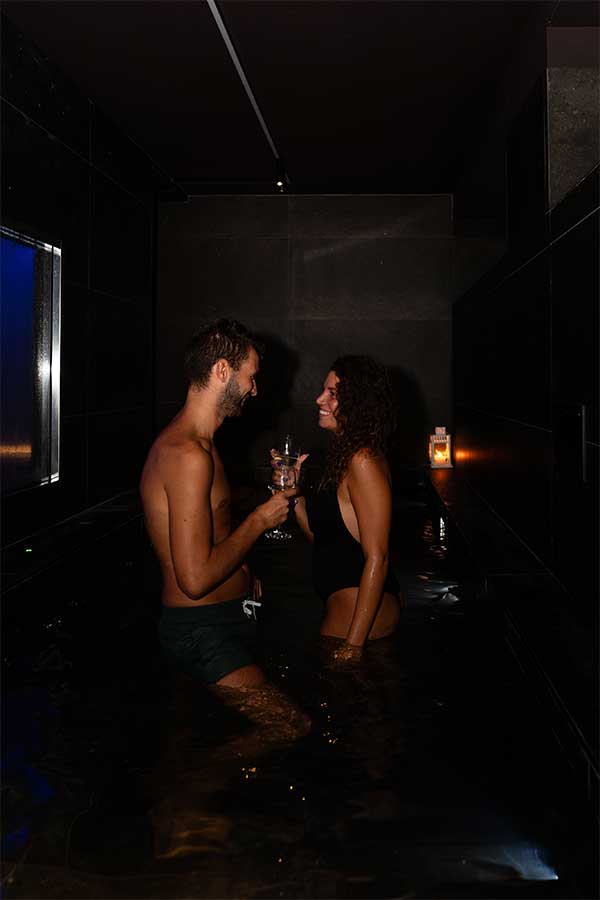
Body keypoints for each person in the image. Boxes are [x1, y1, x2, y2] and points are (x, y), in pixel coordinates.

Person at [140, 318, 299, 690]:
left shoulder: (203, 445)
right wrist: (259, 521)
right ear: (222, 370)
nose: (254, 390)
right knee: (283, 722)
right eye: (251, 377)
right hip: (204, 630)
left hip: (225, 616)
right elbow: (194, 580)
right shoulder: (188, 454)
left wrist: (243, 571)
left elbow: (209, 534)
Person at [292, 355, 402, 662]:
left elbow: (378, 557)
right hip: (347, 619)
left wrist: (353, 645)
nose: (319, 400)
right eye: (323, 390)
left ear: (358, 404)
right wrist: (292, 494)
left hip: (358, 626)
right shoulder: (344, 455)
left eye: (332, 394)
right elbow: (323, 539)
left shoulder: (362, 460)